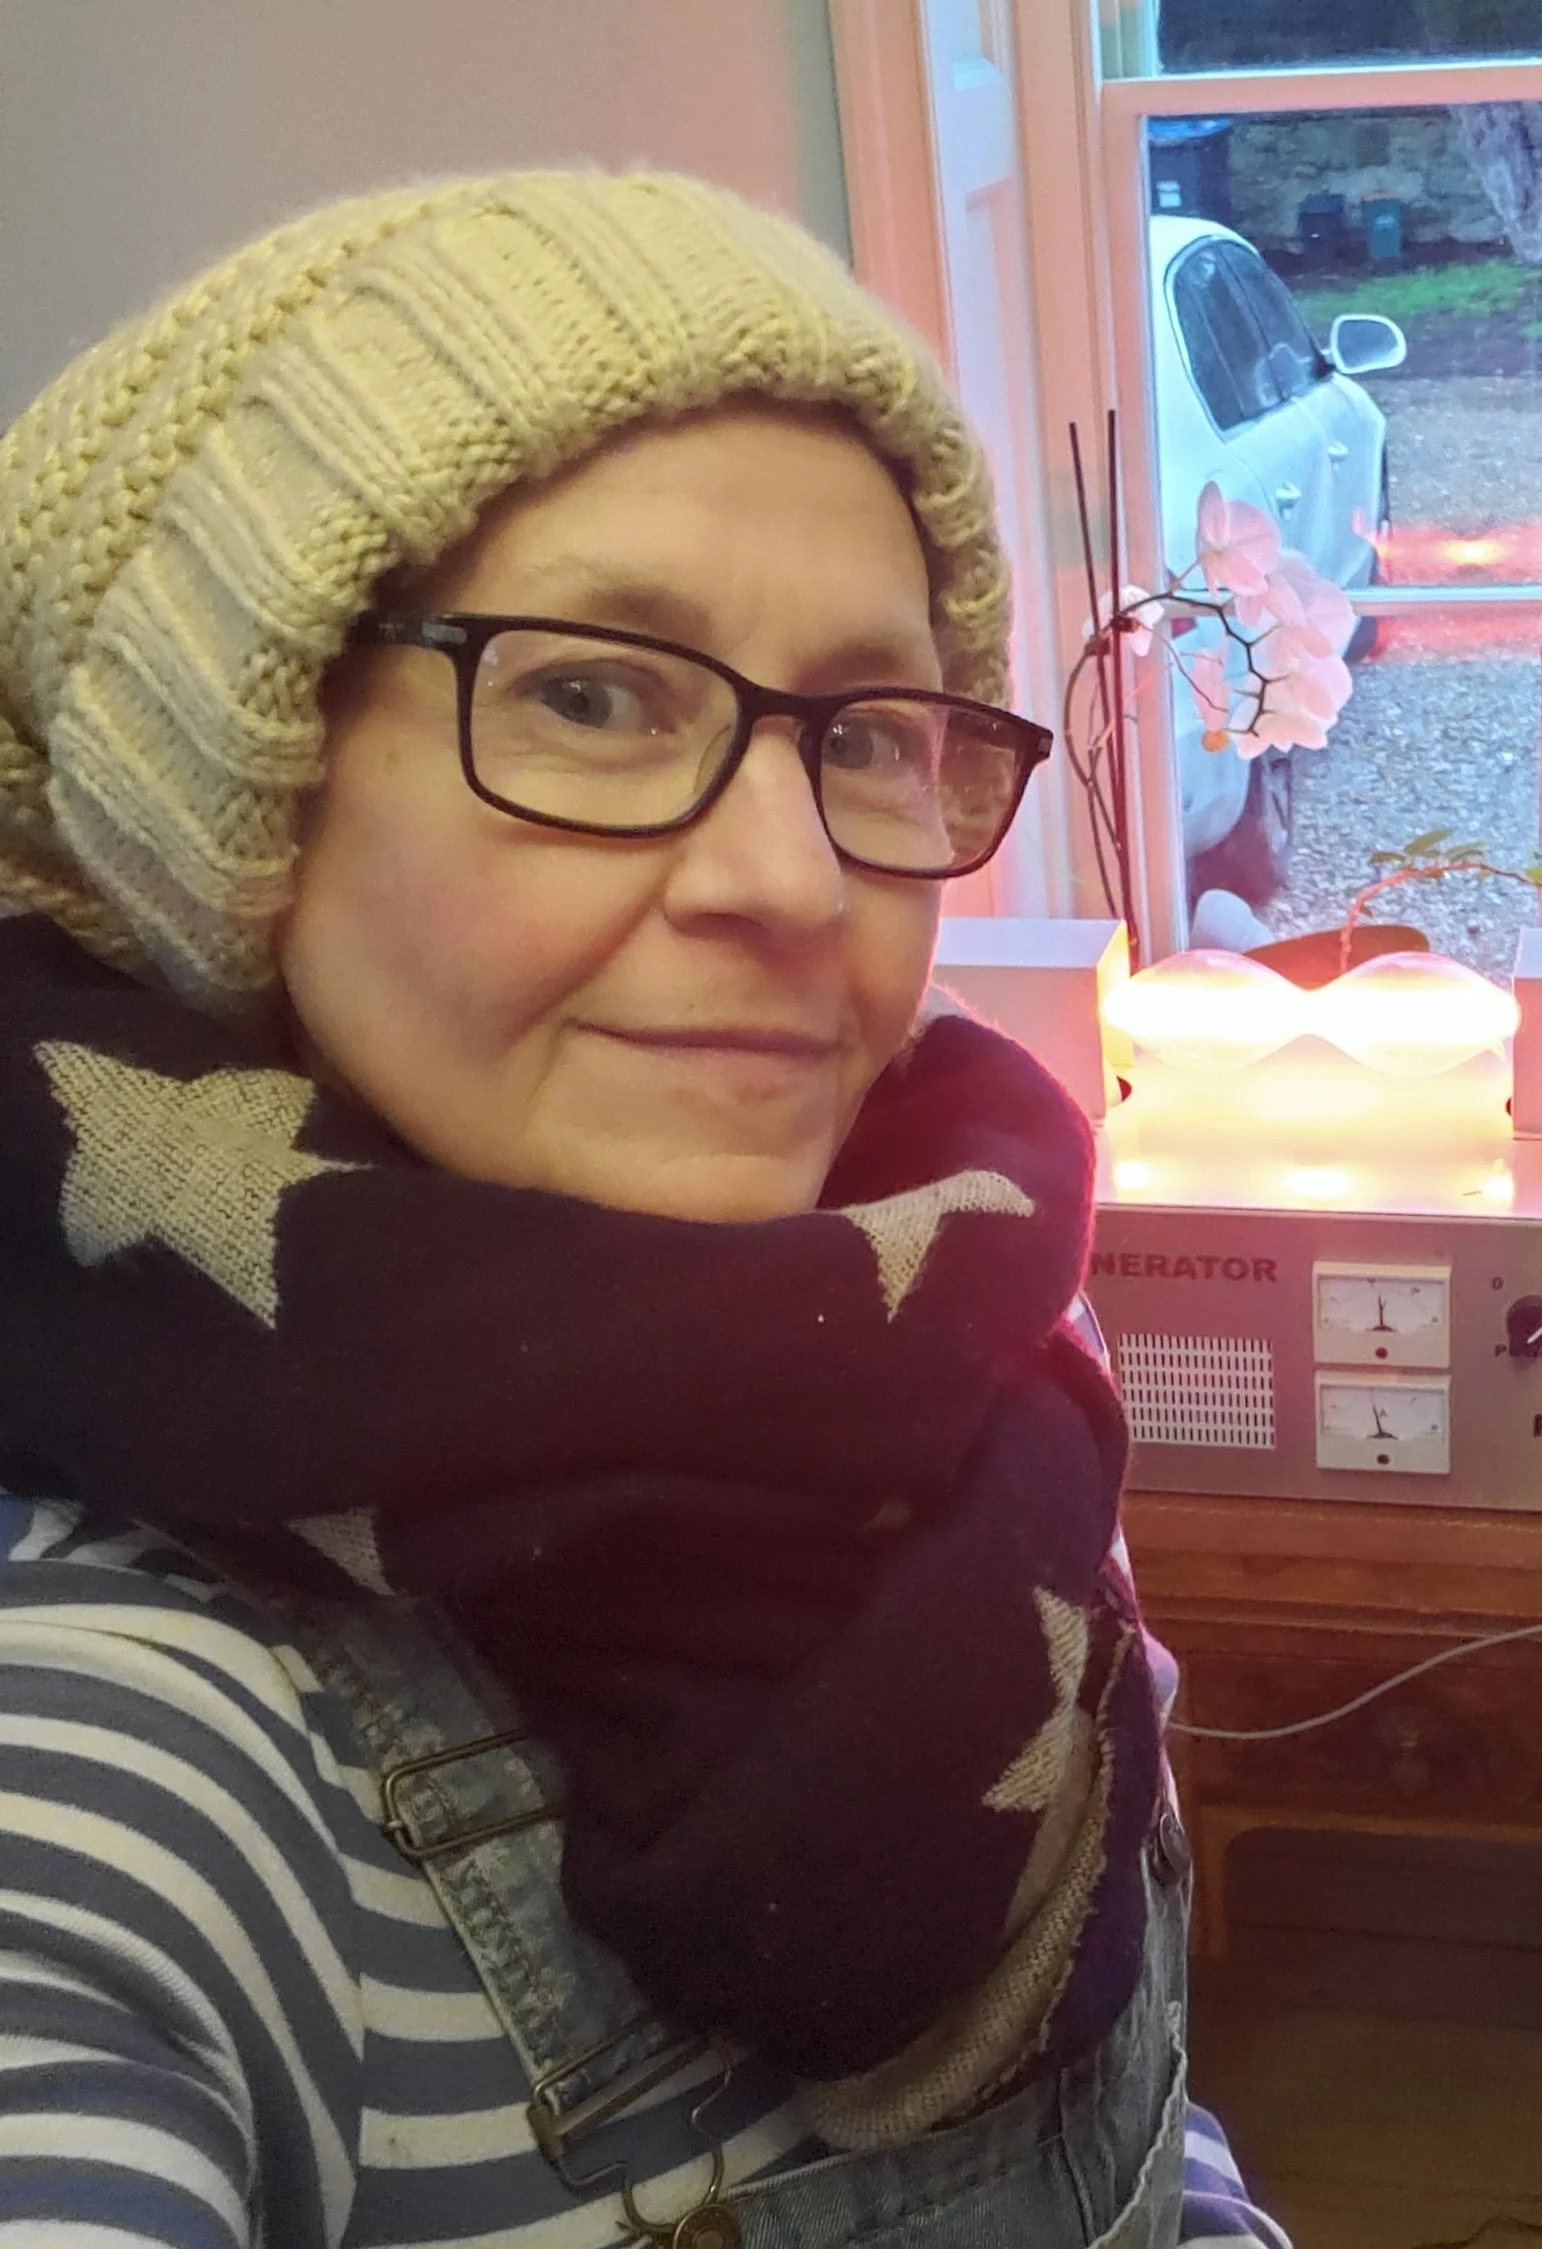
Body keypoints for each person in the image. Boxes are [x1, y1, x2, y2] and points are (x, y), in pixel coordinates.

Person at [0, 169, 1288, 2248]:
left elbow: (1131, 2094)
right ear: (237, 790)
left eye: (866, 731)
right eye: (590, 695)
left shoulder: (933, 1313)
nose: (791, 883)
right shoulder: (110, 1741)